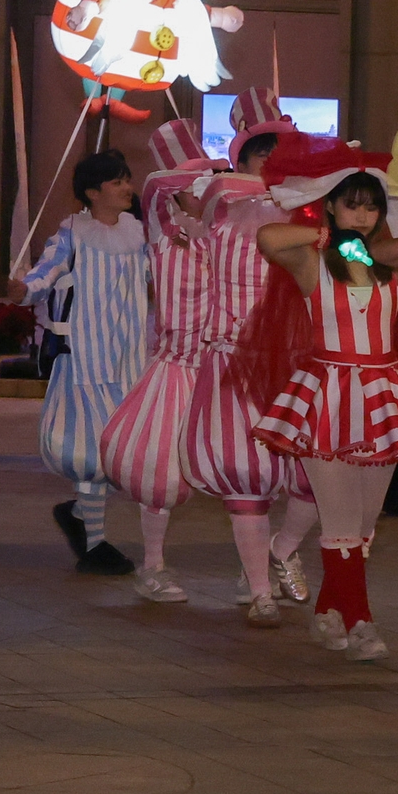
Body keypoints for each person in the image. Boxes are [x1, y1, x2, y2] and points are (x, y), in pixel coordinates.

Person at [105, 104, 318, 614]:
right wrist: (218, 178)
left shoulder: (258, 218)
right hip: (182, 361)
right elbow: (159, 187)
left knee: (271, 471)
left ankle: (261, 568)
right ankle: (152, 566)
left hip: (242, 361)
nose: (198, 189)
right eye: (192, 182)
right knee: (162, 475)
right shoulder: (167, 222)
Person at [246, 140, 398, 658]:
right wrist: (329, 235)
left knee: (363, 528)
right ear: (330, 203)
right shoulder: (312, 259)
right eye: (353, 203)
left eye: (372, 206)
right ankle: (362, 622)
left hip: (383, 393)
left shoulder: (390, 261)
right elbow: (267, 237)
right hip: (327, 395)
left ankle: (329, 610)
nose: (364, 216)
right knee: (341, 523)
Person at [18, 147, 152, 576]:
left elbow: (161, 278)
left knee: (126, 454)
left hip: (130, 360)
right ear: (92, 193)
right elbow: (41, 278)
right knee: (93, 454)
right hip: (85, 362)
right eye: (117, 181)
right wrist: (22, 288)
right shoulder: (71, 235)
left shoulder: (140, 234)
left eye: (127, 178)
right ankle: (93, 543)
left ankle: (79, 516)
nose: (127, 187)